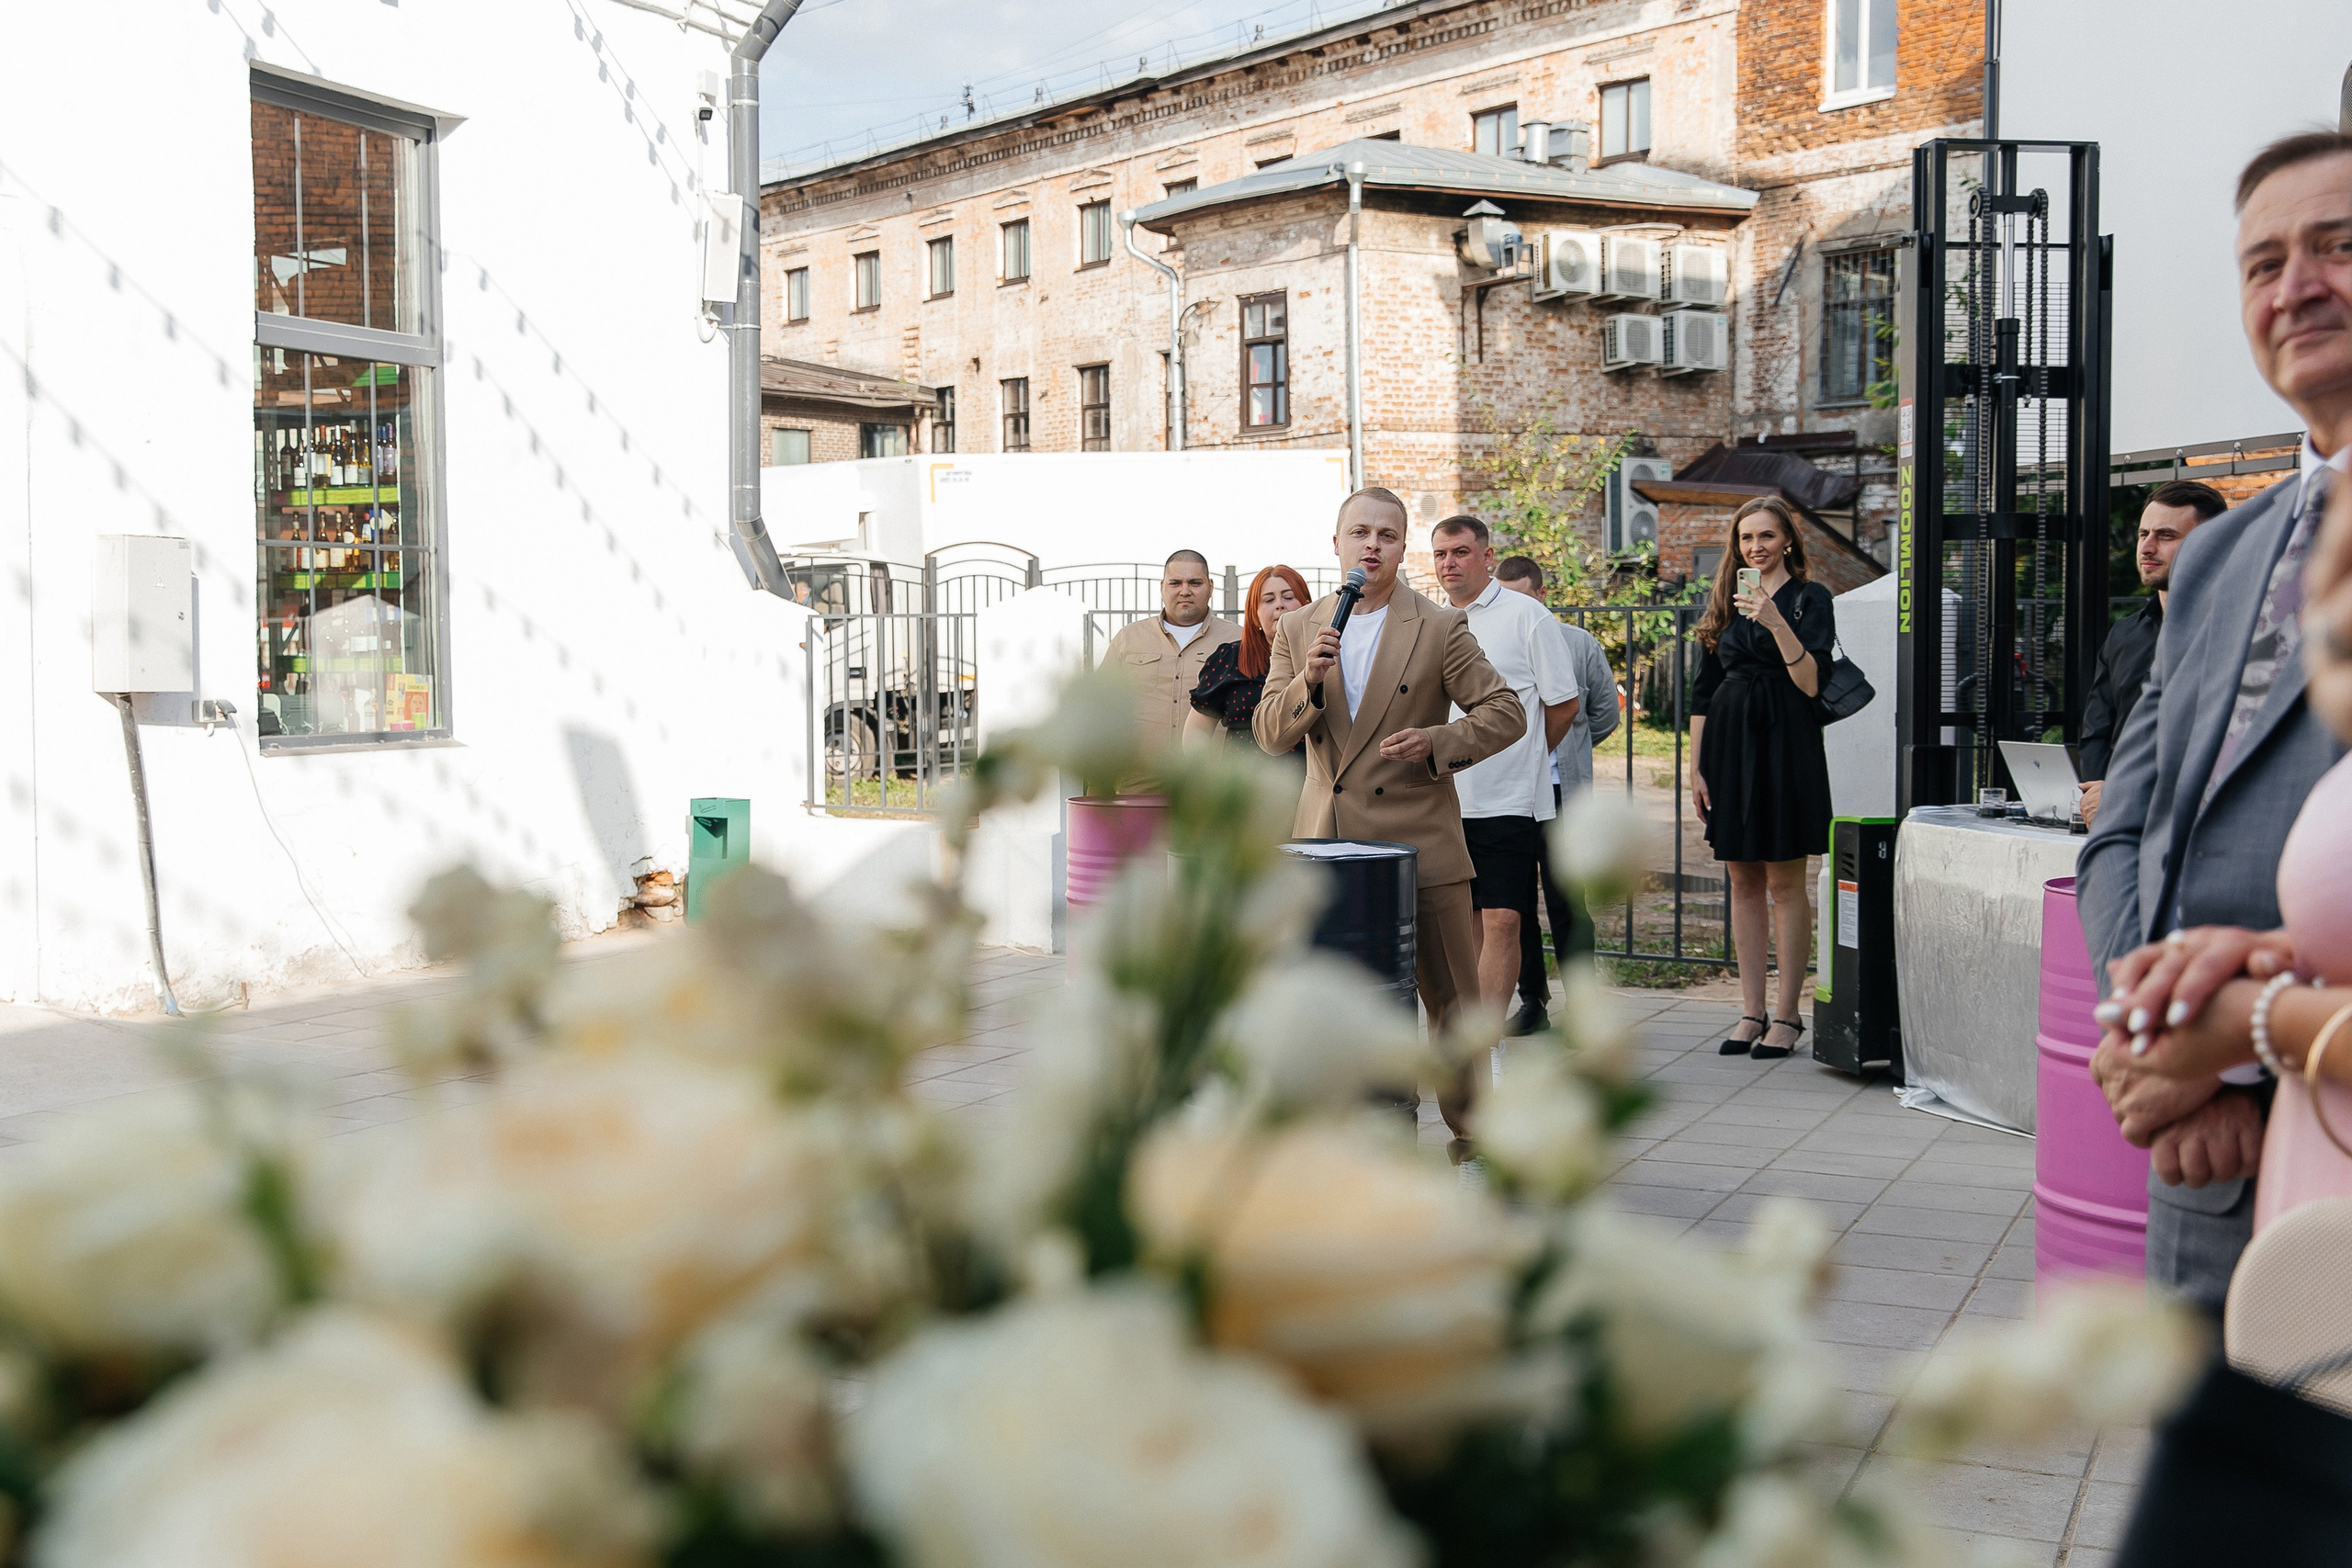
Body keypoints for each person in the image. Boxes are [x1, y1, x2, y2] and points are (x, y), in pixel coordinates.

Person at [2076, 130, 2352, 1318]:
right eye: (2263, 261)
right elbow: (2128, 827)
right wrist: (2164, 1060)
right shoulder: (2225, 550)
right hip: (2202, 1161)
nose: (2296, 286)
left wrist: (2250, 1048)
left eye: (2340, 247)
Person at [1255, 487, 1524, 1154]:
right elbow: (1268, 735)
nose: (1372, 545)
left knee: (1455, 1008)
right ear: (1337, 543)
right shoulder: (1299, 628)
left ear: (1403, 548)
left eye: (1387, 534)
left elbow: (1505, 712)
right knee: (1341, 1007)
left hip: (1421, 846)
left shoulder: (1437, 626)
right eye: (1359, 533)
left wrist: (1439, 744)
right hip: (1329, 849)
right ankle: (1364, 1141)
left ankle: (1474, 1143)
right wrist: (1306, 686)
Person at [1688, 495, 1836, 1060]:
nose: (1756, 547)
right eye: (1747, 538)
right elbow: (1703, 691)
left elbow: (1810, 682)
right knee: (1742, 881)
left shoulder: (1808, 599)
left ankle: (1789, 1014)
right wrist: (1695, 768)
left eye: (1767, 536)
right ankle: (1751, 1010)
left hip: (1785, 743)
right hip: (1728, 744)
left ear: (1788, 541)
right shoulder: (1726, 601)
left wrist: (1775, 622)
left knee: (1784, 881)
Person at [1430, 519, 1581, 1023]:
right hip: (1445, 798)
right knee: (1464, 924)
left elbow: (1563, 705)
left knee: (1502, 920)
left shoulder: (1527, 615)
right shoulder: (1429, 621)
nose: (1449, 563)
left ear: (1488, 556)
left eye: (1460, 552)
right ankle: (1466, 1034)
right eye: (1440, 554)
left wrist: (1526, 756)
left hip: (1508, 799)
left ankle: (1486, 1038)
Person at [1497, 555, 1620, 1032]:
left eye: (1524, 598)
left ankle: (1583, 1010)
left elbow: (1604, 716)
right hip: (1511, 796)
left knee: (1570, 904)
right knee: (1515, 903)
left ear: (1542, 595)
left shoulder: (1578, 644)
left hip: (1562, 795)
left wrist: (1566, 748)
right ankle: (1533, 1003)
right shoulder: (1488, 642)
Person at [2078, 480, 2228, 825]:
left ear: (2213, 543)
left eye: (2166, 535)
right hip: (2113, 820)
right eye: (2143, 533)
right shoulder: (2126, 634)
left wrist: (2124, 795)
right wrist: (2100, 793)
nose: (2146, 547)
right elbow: (2097, 731)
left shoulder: (2237, 633)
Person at [1100, 550, 1241, 788]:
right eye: (1176, 583)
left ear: (1210, 586)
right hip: (1138, 786)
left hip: (1211, 789)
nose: (1185, 590)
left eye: (1194, 583)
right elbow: (1101, 707)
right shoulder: (1129, 639)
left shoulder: (1238, 640)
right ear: (1163, 586)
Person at [1185, 565, 1308, 752]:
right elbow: (1198, 730)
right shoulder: (1231, 659)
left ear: (1307, 606)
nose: (1279, 605)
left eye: (1289, 597)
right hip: (1244, 780)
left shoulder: (1325, 655)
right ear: (1255, 615)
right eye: (1268, 600)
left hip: (1311, 779)